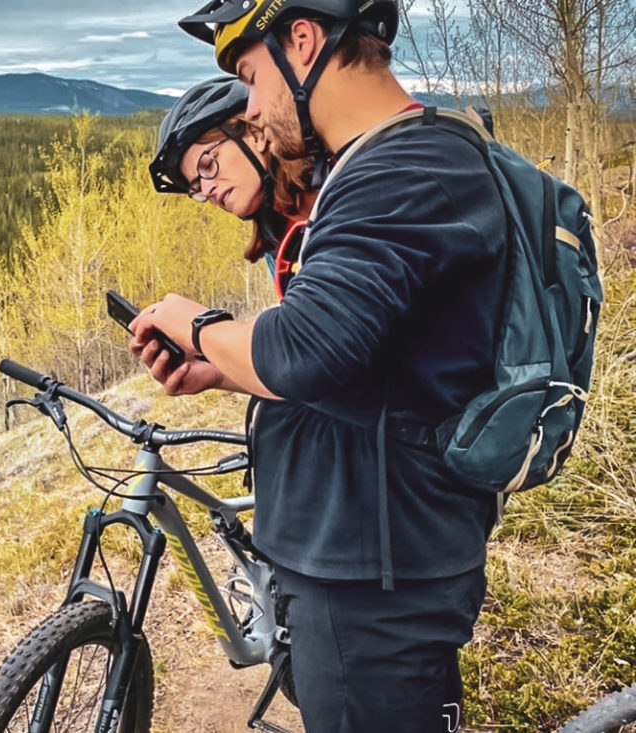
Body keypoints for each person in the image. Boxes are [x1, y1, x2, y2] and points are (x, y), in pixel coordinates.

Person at [129, 1, 508, 731]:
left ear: (301, 42)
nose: (255, 108)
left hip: (374, 570)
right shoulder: (371, 169)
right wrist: (219, 369)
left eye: (250, 75)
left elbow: (303, 349)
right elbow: (355, 363)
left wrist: (196, 323)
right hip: (356, 550)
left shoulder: (405, 167)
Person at [150, 75, 314, 291]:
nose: (207, 191)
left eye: (208, 165)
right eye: (197, 188)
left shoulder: (340, 197)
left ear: (255, 134)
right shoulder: (278, 241)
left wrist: (205, 325)